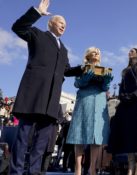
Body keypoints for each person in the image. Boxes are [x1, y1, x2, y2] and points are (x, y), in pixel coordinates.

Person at [9, 0, 83, 174]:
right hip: (34, 94)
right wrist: (37, 12)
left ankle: (34, 171)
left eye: (65, 24)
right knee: (23, 137)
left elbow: (66, 70)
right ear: (50, 23)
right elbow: (18, 27)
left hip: (51, 101)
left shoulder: (63, 49)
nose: (64, 26)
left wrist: (83, 68)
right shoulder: (37, 35)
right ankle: (16, 171)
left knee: (42, 142)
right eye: (60, 23)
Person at [66, 47, 113, 175]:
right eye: (94, 52)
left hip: (99, 102)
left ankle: (93, 168)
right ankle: (78, 168)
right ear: (87, 55)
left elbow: (104, 88)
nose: (96, 53)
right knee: (79, 134)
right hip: (84, 100)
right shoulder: (82, 68)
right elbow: (77, 84)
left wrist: (107, 81)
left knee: (96, 136)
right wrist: (85, 78)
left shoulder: (104, 70)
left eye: (98, 52)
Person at [108, 48, 137, 175]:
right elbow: (122, 86)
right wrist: (122, 96)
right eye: (129, 51)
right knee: (128, 135)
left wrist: (135, 95)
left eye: (132, 51)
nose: (130, 52)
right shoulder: (125, 70)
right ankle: (131, 165)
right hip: (126, 105)